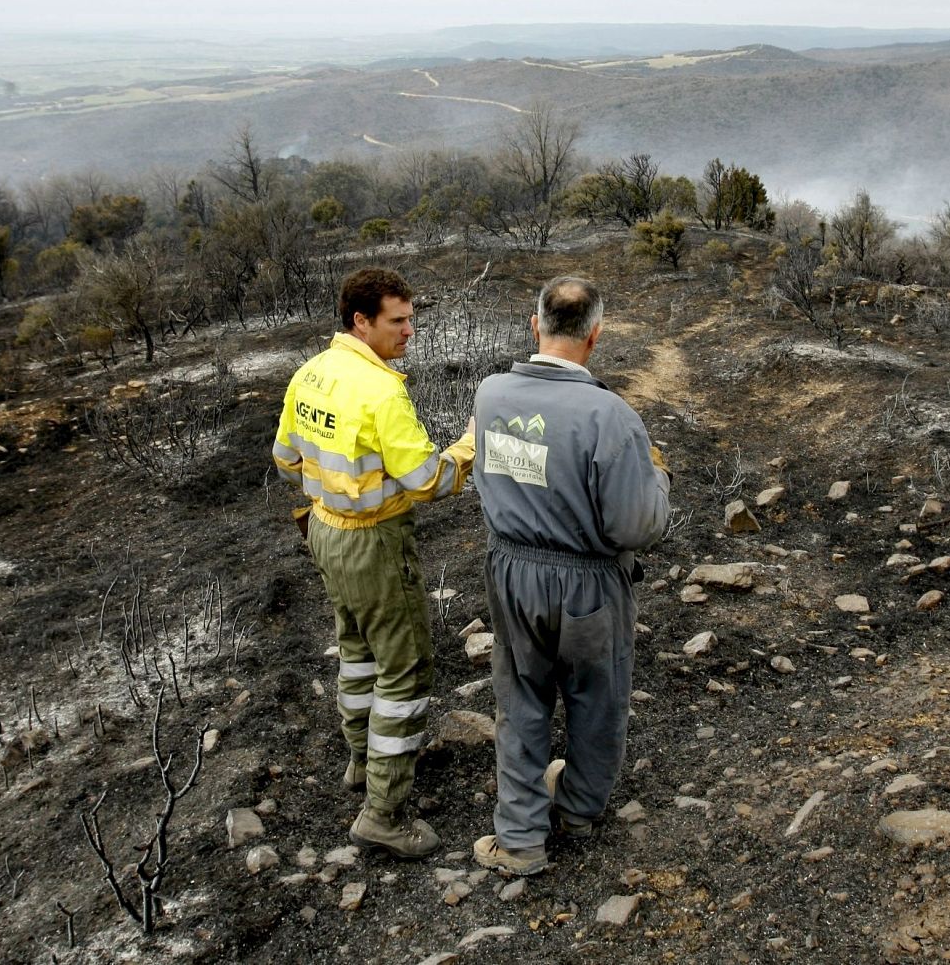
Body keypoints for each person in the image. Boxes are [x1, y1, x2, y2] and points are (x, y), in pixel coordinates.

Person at [470, 276, 672, 875]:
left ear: (536, 325)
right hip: (589, 584)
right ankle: (579, 809)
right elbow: (637, 526)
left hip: (511, 573)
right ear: (595, 335)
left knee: (520, 697)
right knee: (597, 696)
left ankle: (520, 841)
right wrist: (659, 480)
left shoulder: (490, 394)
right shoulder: (611, 416)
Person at [272, 267, 475, 858]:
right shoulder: (382, 391)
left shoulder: (310, 373)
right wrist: (470, 445)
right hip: (374, 543)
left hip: (324, 532)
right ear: (361, 321)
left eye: (411, 319)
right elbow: (427, 481)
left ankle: (363, 762)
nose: (410, 331)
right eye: (398, 321)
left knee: (358, 651)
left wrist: (336, 489)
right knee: (405, 670)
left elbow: (286, 459)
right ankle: (384, 813)